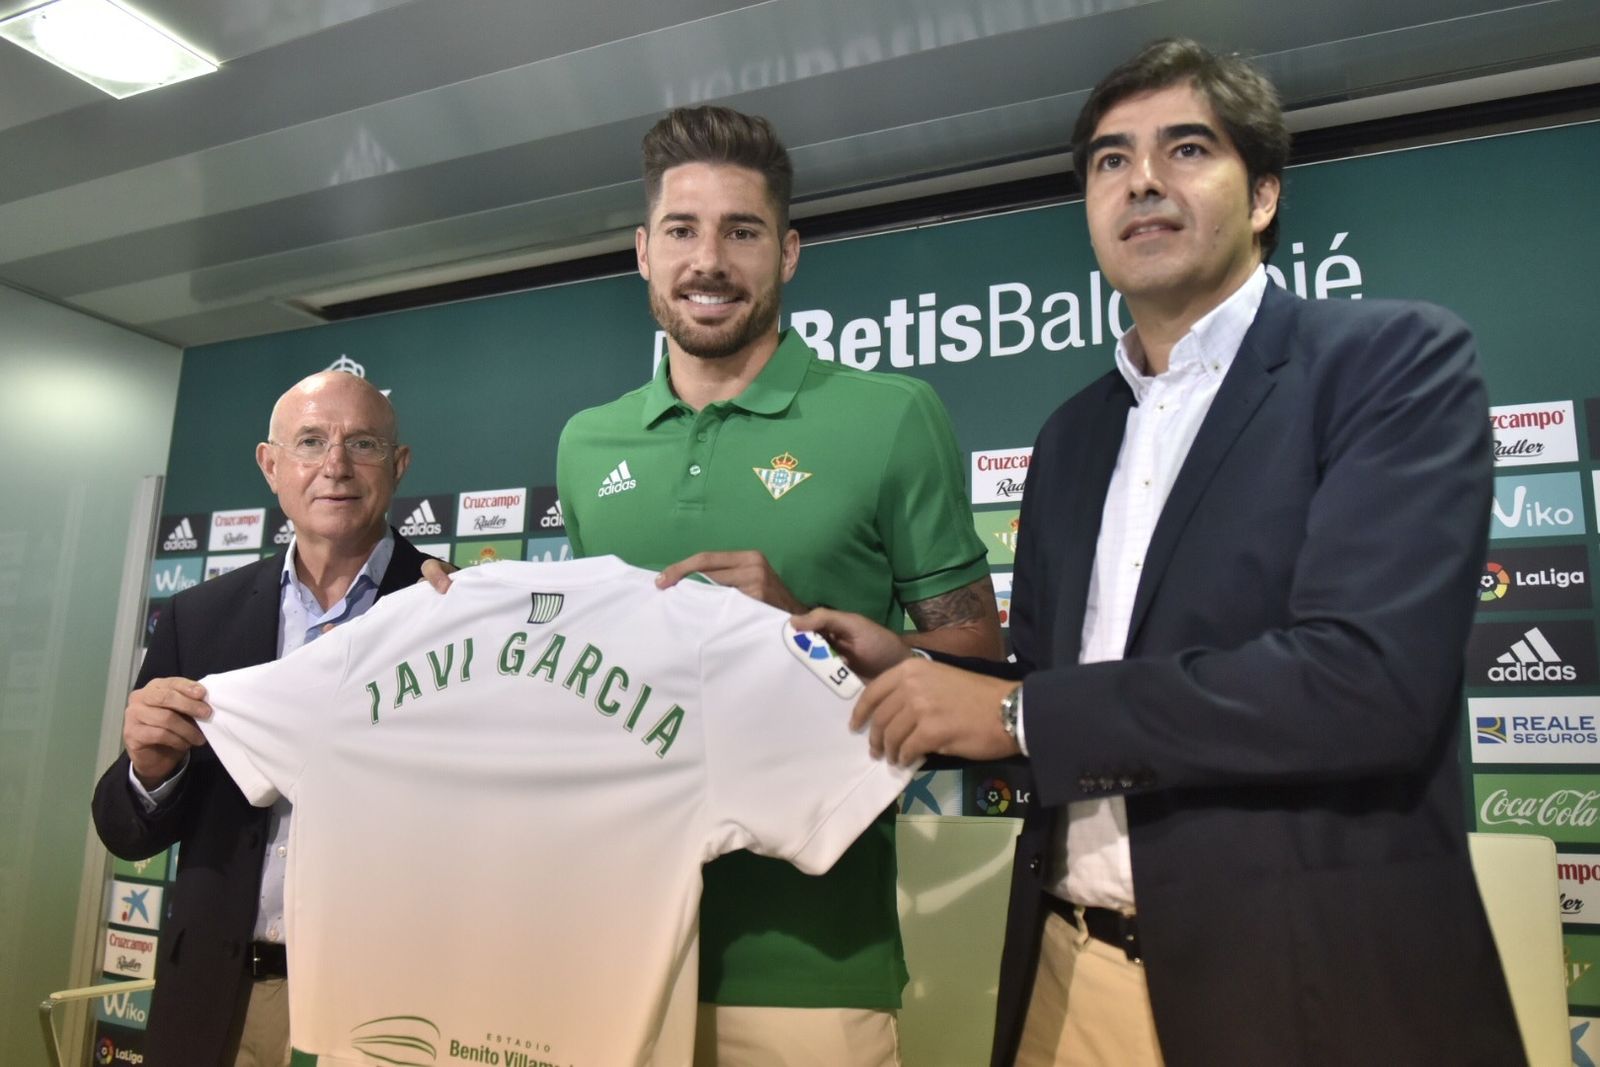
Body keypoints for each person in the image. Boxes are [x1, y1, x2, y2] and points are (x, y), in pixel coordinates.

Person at [796, 38, 1525, 1067]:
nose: (1140, 179)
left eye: (1186, 149)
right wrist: (925, 670)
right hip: (1068, 975)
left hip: (1301, 988)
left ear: (1263, 193)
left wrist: (1014, 711)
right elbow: (1064, 688)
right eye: (1108, 160)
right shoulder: (1069, 437)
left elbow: (1367, 682)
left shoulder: (1389, 363)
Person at [556, 105, 1002, 1066]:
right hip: (610, 956)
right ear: (642, 251)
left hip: (814, 965)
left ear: (788, 253)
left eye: (742, 231)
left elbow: (982, 667)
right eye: (681, 230)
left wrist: (802, 633)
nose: (708, 260)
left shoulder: (889, 417)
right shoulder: (586, 443)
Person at [91, 370, 443, 1066]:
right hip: (214, 999)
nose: (334, 465)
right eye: (310, 441)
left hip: (389, 1006)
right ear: (271, 464)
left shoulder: (453, 609)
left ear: (398, 466)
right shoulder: (199, 616)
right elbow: (125, 830)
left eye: (362, 443)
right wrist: (148, 770)